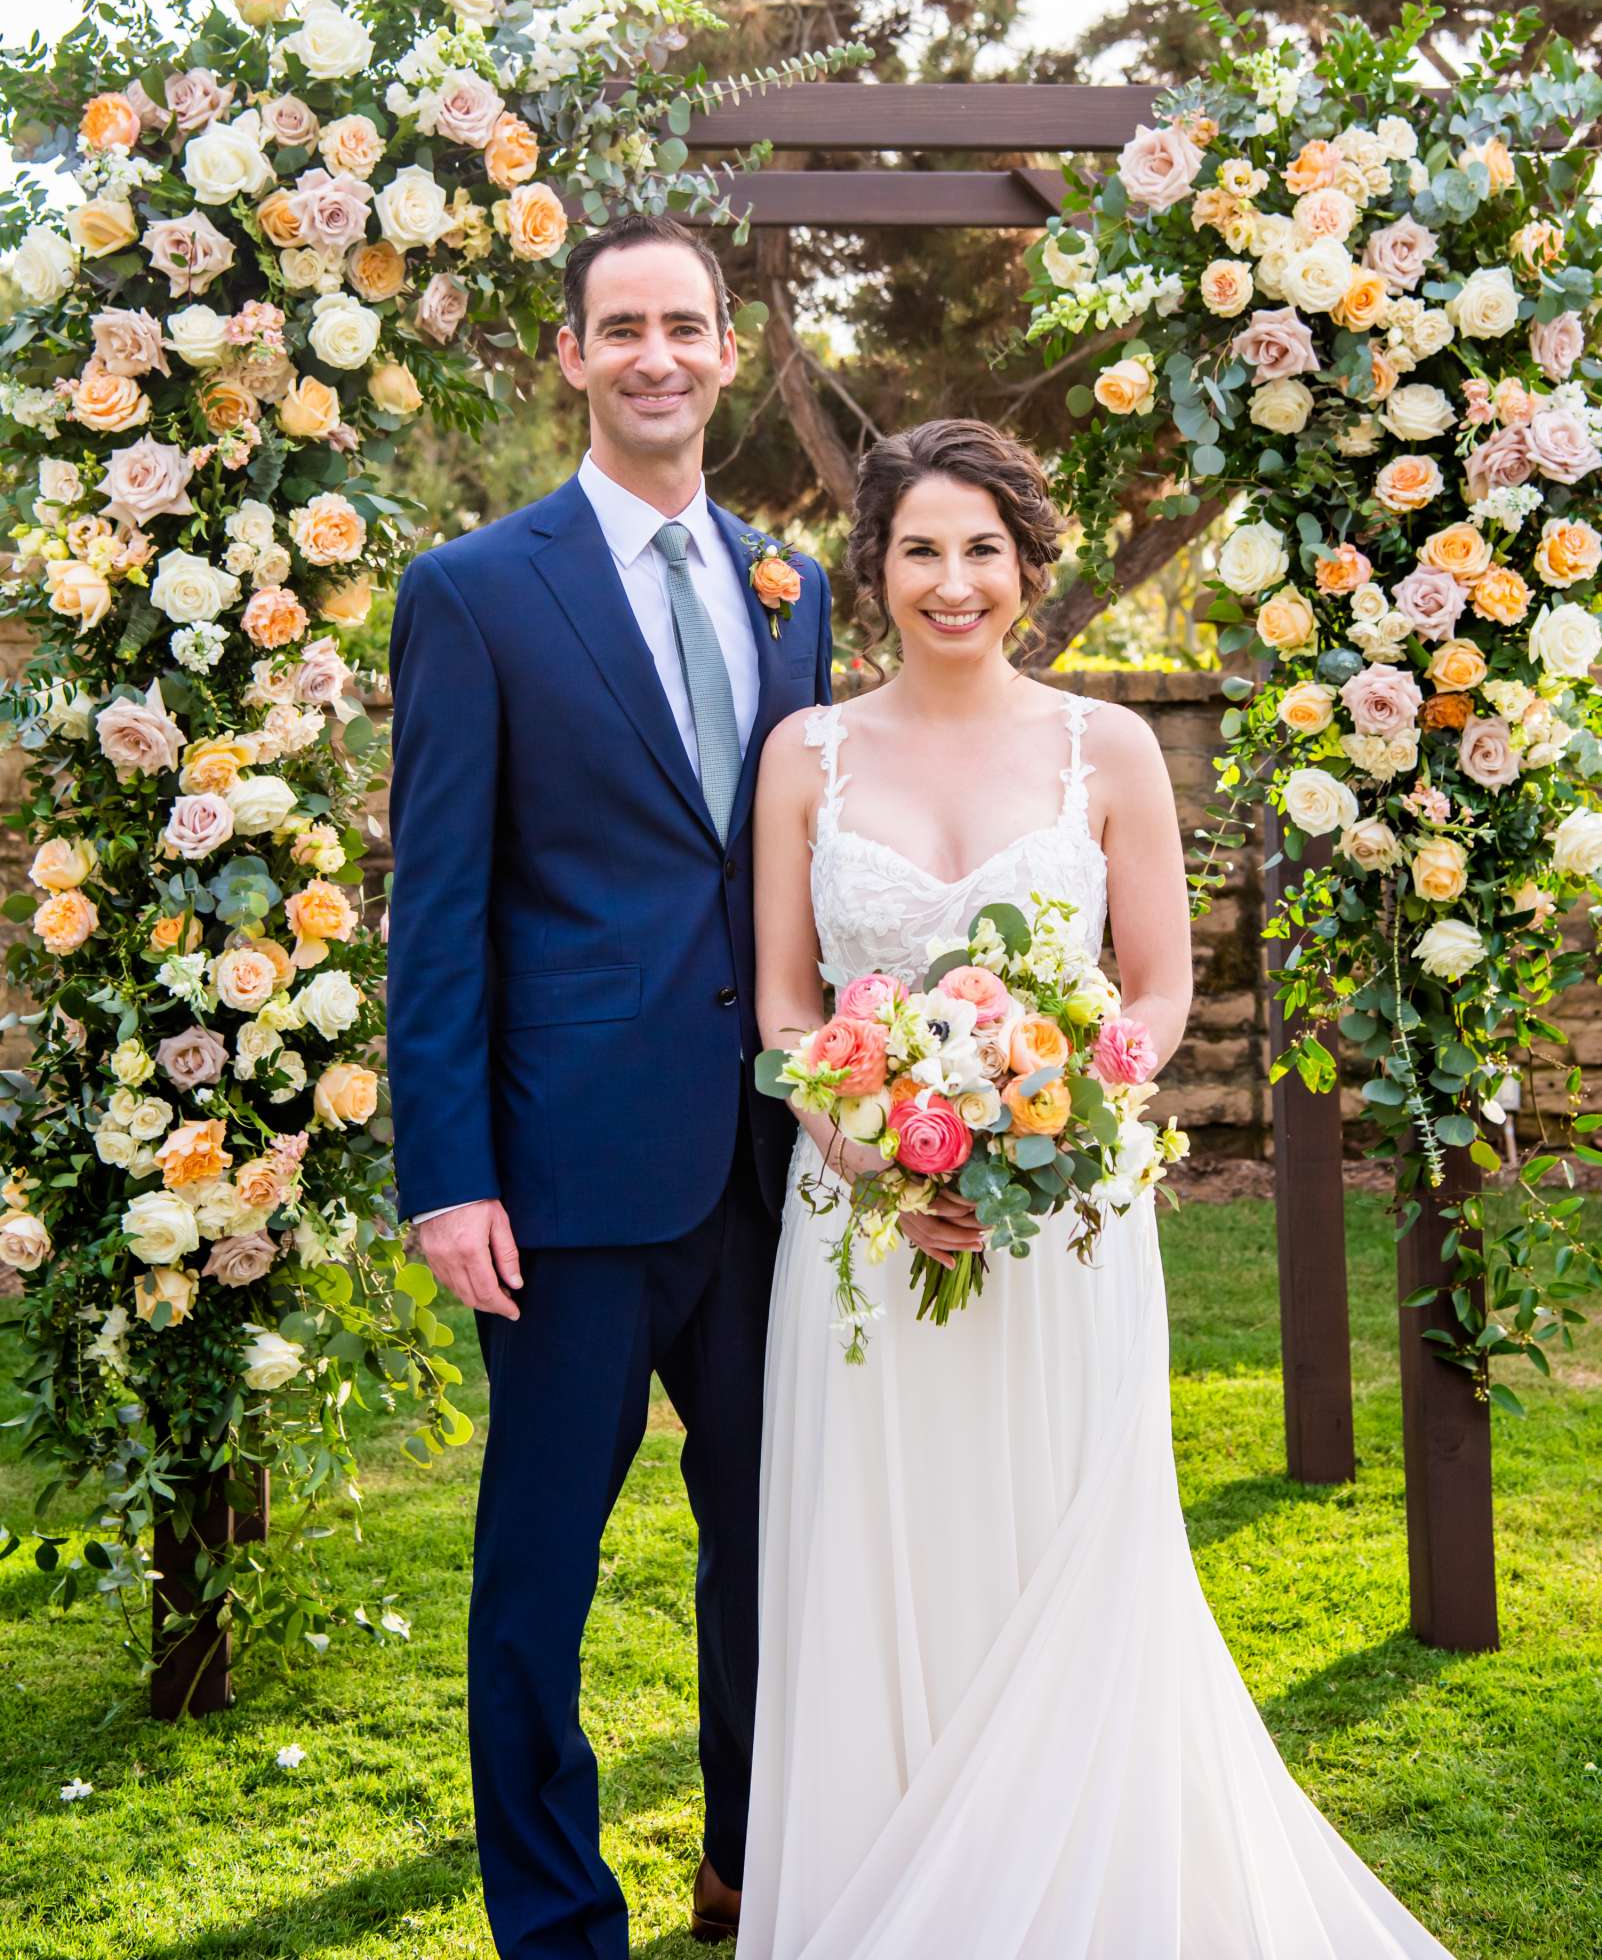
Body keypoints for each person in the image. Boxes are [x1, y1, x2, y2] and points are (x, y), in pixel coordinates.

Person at [743, 417, 1456, 1959]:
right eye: (920, 550)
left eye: (980, 550)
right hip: (859, 1230)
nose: (952, 582)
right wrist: (864, 1141)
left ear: (1028, 567)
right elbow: (787, 1009)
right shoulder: (802, 756)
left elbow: (1153, 987)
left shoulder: (1106, 748)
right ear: (872, 570)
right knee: (880, 1555)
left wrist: (1040, 1132)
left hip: (1062, 1228)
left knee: (1059, 1550)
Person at [384, 214, 833, 1958]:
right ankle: (556, 1913)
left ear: (728, 351)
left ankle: (749, 1857)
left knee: (772, 1545)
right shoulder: (476, 590)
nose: (657, 354)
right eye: (620, 327)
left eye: (687, 326)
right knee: (537, 1574)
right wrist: (448, 1173)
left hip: (771, 1165)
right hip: (560, 1175)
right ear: (568, 358)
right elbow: (438, 908)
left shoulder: (786, 582)